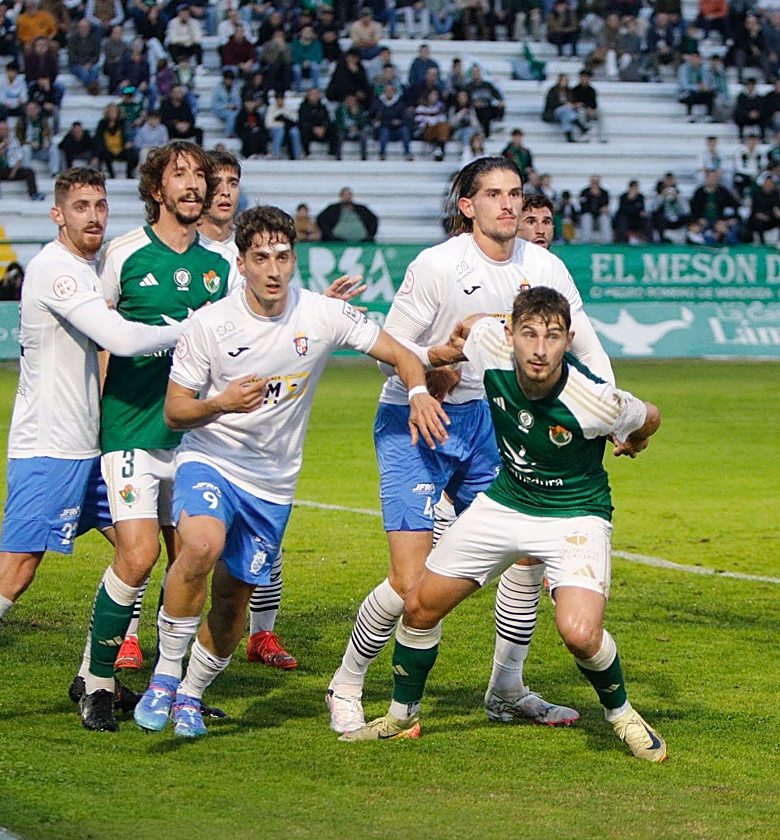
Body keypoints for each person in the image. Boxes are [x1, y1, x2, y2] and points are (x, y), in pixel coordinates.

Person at [129, 205, 450, 738]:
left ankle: (191, 694)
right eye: (261, 258)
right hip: (211, 458)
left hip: (272, 484)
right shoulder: (210, 325)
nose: (274, 269)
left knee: (234, 598)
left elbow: (402, 353)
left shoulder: (321, 315)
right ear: (242, 262)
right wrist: (224, 403)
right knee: (202, 547)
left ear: (294, 259)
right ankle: (164, 677)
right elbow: (174, 411)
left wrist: (417, 390)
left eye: (283, 256)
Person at [325, 157, 615, 737]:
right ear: (468, 206)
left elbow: (587, 344)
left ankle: (506, 689)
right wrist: (441, 360)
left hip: (491, 423)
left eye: (515, 194)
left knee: (528, 552)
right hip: (417, 420)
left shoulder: (546, 266)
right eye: (493, 195)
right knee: (413, 585)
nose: (508, 205)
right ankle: (348, 680)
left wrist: (608, 412)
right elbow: (391, 345)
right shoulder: (438, 265)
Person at [341, 286, 667, 764]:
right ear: (511, 333)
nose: (539, 349)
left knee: (579, 634)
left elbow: (651, 416)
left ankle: (622, 715)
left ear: (568, 339)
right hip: (505, 503)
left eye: (553, 337)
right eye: (529, 334)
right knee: (419, 607)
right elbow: (469, 328)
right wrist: (445, 358)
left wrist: (635, 439)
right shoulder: (489, 342)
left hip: (574, 513)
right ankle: (401, 716)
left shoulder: (595, 401)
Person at [0, 168, 188, 733]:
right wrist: (194, 328)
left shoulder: (85, 269)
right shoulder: (56, 270)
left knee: (136, 554)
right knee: (15, 571)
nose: (93, 216)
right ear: (58, 215)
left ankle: (96, 676)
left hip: (89, 447)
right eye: (81, 206)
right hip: (50, 450)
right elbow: (119, 339)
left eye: (100, 205)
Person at [70, 142, 232, 731]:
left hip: (198, 443)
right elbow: (95, 339)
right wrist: (93, 426)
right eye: (179, 175)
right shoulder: (124, 254)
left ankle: (172, 687)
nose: (192, 185)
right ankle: (96, 678)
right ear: (156, 189)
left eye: (199, 176)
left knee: (189, 562)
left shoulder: (225, 264)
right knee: (136, 557)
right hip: (133, 430)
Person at [0, 122, 45, 200]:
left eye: (6, 129)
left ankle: (34, 194)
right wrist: (2, 147)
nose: (4, 132)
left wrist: (14, 171)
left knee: (29, 172)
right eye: (1, 130)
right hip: (1, 169)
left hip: (13, 168)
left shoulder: (14, 140)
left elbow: (19, 157)